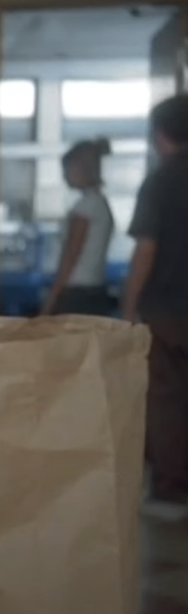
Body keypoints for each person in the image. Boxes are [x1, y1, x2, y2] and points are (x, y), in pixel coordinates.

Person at [123, 93, 188, 521]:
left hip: (167, 311)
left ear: (161, 136)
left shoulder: (161, 181)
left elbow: (147, 248)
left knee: (165, 399)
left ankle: (170, 492)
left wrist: (128, 307)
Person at [40, 137, 114, 316]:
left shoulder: (85, 207)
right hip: (96, 290)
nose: (64, 176)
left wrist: (52, 297)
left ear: (82, 169)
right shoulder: (101, 203)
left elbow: (71, 255)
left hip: (76, 294)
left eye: (67, 170)